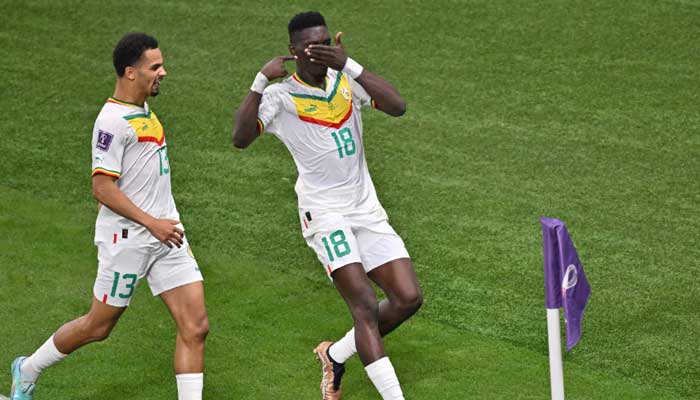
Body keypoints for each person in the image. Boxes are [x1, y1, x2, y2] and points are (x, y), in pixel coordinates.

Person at [232, 11, 422, 400]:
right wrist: (259, 81)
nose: (319, 51)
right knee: (365, 307)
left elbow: (397, 106)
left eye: (324, 43)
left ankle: (335, 355)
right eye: (310, 46)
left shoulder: (345, 79)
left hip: (365, 209)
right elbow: (240, 138)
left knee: (407, 298)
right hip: (325, 215)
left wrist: (349, 64)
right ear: (294, 51)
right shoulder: (280, 97)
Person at [8, 33, 208, 400]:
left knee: (195, 326)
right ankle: (28, 369)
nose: (164, 72)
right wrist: (151, 222)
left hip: (168, 236)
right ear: (130, 72)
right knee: (99, 326)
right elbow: (101, 187)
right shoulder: (112, 120)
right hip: (130, 240)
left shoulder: (144, 109)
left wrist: (161, 223)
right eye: (155, 67)